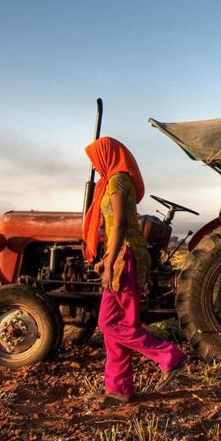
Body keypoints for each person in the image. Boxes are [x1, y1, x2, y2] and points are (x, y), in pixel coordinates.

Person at [83, 136, 186, 403]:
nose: (94, 167)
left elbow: (118, 225)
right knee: (117, 326)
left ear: (107, 155)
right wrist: (106, 258)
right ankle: (119, 387)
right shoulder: (115, 180)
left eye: (95, 160)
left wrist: (111, 262)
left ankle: (168, 355)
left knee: (108, 323)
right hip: (121, 256)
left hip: (126, 259)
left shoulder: (118, 180)